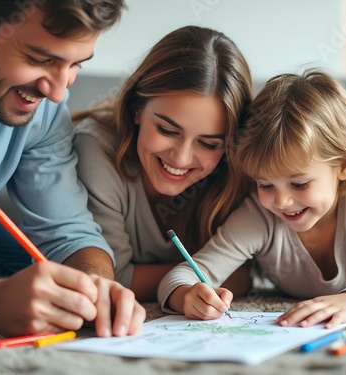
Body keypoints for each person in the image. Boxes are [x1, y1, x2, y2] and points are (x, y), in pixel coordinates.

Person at [157, 69, 346, 328]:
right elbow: (181, 276)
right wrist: (186, 295)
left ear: (344, 165)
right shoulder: (259, 214)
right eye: (266, 184)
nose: (281, 201)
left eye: (299, 183)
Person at [0, 0, 145, 337]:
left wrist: (96, 285)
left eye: (75, 65)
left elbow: (66, 228)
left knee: (44, 282)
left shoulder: (44, 109)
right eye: (40, 59)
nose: (56, 93)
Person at [72, 25, 254, 302]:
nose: (180, 158)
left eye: (208, 144)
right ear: (137, 108)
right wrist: (201, 278)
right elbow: (108, 279)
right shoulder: (95, 148)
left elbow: (248, 272)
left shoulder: (239, 168)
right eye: (167, 131)